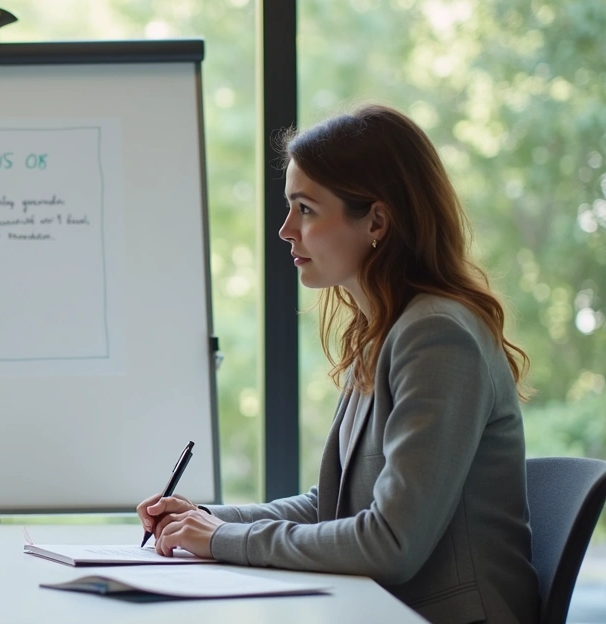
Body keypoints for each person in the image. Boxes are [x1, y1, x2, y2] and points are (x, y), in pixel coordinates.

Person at [138, 104, 539, 623]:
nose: (285, 230)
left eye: (305, 209)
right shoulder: (385, 331)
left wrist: (224, 539)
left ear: (376, 219)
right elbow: (332, 508)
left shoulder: (438, 335)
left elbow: (389, 543)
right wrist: (209, 519)